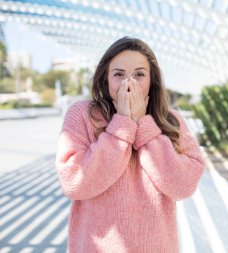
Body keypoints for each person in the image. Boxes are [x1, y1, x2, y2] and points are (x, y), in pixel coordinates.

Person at [55, 37, 205, 253]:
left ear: (151, 81)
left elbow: (183, 186)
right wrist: (122, 126)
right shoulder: (81, 115)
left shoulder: (172, 121)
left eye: (139, 74)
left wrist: (145, 125)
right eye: (118, 74)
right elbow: (75, 183)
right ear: (105, 79)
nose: (129, 83)